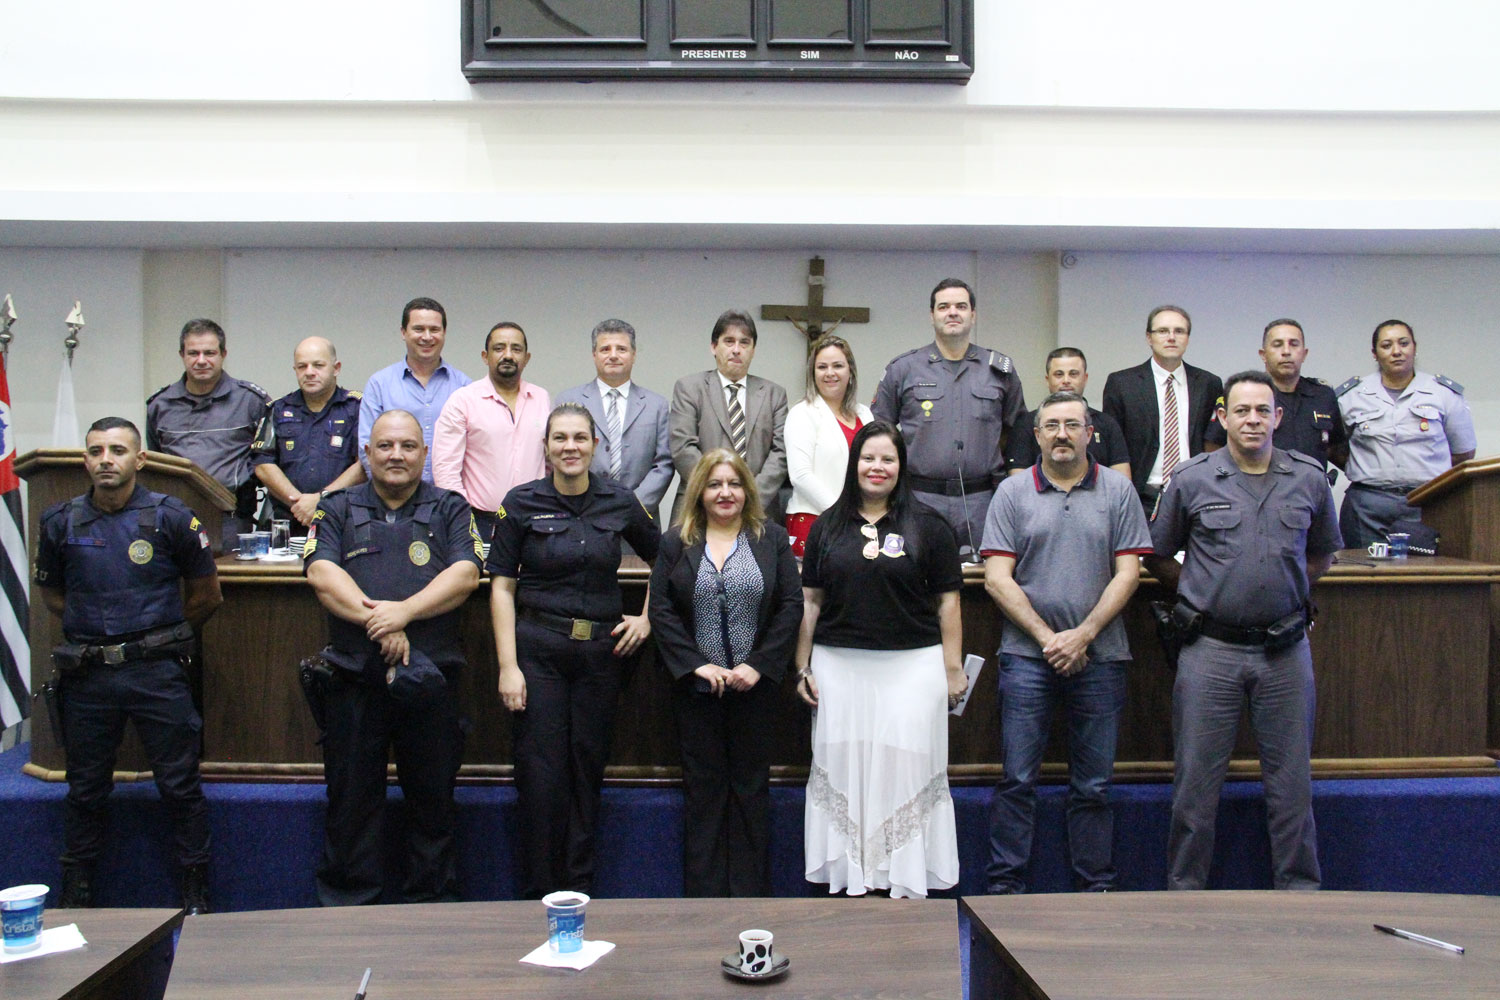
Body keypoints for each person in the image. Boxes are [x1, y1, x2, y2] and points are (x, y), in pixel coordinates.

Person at [1144, 371, 1343, 891]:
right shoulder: (1192, 478)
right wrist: (1207, 591)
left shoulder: (1308, 477)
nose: (1252, 420)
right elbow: (1159, 556)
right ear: (1223, 417)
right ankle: (1185, 897)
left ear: (1277, 417)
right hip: (1211, 651)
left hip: (1285, 651)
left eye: (1262, 411)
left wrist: (1284, 587)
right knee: (1194, 790)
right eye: (1242, 411)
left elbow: (1322, 553)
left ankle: (1299, 897)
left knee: (1292, 789)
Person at [36, 417, 222, 913]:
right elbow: (54, 594)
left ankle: (196, 891)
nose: (105, 460)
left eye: (117, 450)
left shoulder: (172, 517)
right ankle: (76, 893)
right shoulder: (60, 521)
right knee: (85, 789)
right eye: (96, 451)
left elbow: (206, 594)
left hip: (156, 672)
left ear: (139, 460)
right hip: (89, 674)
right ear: (85, 460)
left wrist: (156, 637)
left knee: (180, 787)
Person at [303, 410, 483, 906]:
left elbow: (466, 574)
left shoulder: (451, 506)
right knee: (351, 805)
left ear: (424, 455)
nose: (396, 455)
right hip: (354, 681)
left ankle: (430, 912)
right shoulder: (336, 506)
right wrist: (380, 626)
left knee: (433, 804)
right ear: (367, 453)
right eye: (385, 446)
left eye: (407, 446)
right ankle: (348, 914)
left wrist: (402, 613)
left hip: (432, 682)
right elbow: (321, 573)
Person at [981, 392, 1152, 893]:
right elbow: (996, 579)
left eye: (1072, 425)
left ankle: (1095, 887)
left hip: (1101, 656)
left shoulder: (1119, 491)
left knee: (1094, 786)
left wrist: (1084, 635)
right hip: (1025, 659)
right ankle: (1005, 889)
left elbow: (1129, 574)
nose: (1062, 434)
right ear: (1035, 435)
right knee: (1016, 781)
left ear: (1089, 432)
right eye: (1051, 425)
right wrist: (1048, 638)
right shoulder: (1012, 494)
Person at [489, 402, 661, 898]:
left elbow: (666, 558)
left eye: (580, 438)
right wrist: (508, 667)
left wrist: (646, 619)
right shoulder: (520, 503)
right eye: (560, 438)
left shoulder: (619, 500)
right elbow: (501, 587)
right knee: (542, 776)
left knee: (587, 769)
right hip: (538, 651)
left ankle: (578, 890)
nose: (570, 447)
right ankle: (537, 892)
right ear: (545, 447)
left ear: (595, 445)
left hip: (599, 657)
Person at [796, 420, 968, 898]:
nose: (877, 467)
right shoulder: (827, 526)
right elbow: (810, 602)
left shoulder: (930, 527)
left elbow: (949, 604)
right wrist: (802, 667)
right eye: (868, 458)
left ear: (901, 466)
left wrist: (952, 670)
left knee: (908, 769)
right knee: (844, 769)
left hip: (913, 669)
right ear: (855, 464)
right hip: (839, 667)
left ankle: (903, 874)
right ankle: (853, 874)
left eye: (887, 459)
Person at [648, 449, 803, 896]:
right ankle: (705, 898)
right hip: (698, 692)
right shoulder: (677, 541)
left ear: (747, 491)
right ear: (700, 491)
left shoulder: (770, 538)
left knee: (751, 793)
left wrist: (759, 665)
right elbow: (661, 609)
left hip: (754, 691)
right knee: (703, 795)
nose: (725, 493)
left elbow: (791, 606)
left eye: (734, 484)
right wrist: (697, 665)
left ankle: (751, 896)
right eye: (715, 484)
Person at [872, 278, 1025, 559]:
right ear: (932, 315)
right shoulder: (903, 369)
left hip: (984, 501)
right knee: (915, 578)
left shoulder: (1000, 370)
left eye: (960, 306)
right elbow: (879, 436)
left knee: (984, 583)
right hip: (919, 498)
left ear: (973, 315)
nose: (952, 312)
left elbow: (1019, 434)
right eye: (944, 306)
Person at [1334, 319, 1476, 549]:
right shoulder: (1352, 396)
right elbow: (1334, 448)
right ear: (1374, 353)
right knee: (1363, 578)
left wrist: (1425, 471)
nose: (1396, 351)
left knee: (1428, 579)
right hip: (1368, 506)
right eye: (1387, 345)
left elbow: (1463, 453)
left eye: (1403, 343)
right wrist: (1370, 468)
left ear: (1414, 347)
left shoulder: (1443, 394)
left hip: (1427, 501)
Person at [146, 318, 271, 539]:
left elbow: (268, 458)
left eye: (210, 353)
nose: (201, 361)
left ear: (223, 354)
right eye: (193, 353)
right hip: (174, 518)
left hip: (231, 518)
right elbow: (157, 464)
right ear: (182, 355)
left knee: (229, 574)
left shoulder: (251, 401)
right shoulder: (160, 405)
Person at [669, 309, 789, 522]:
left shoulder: (774, 394)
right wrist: (716, 492)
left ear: (753, 350)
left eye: (744, 343)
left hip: (758, 511)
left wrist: (749, 498)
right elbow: (683, 448)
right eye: (729, 341)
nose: (736, 350)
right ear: (714, 347)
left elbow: (780, 454)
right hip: (699, 508)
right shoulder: (689, 388)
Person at [432, 321, 549, 540]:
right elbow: (445, 469)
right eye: (499, 348)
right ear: (485, 356)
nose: (508, 355)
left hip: (536, 519)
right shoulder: (463, 400)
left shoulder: (541, 398)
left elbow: (550, 461)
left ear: (527, 357)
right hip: (481, 520)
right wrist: (462, 518)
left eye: (516, 349)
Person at [1102, 305, 1224, 513]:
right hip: (1142, 498)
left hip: (1197, 495)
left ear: (1187, 338)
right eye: (1163, 331)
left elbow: (1214, 441)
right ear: (1149, 338)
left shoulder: (1208, 383)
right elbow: (1111, 445)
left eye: (1179, 331)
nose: (1171, 337)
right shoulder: (1122, 383)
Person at [554, 318, 675, 524]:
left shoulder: (657, 405)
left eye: (621, 349)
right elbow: (558, 457)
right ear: (594, 355)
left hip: (639, 520)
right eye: (605, 349)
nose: (613, 355)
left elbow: (664, 463)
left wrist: (632, 506)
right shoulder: (568, 401)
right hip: (582, 515)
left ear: (634, 355)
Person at [1204, 319, 1348, 475]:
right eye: (1278, 344)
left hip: (1310, 493)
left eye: (1294, 344)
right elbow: (1213, 446)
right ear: (1263, 354)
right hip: (1257, 492)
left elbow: (1335, 448)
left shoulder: (1323, 395)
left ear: (1304, 354)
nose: (1286, 351)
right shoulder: (1242, 394)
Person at [252, 336, 367, 527]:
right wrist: (300, 504)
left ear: (336, 368)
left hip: (343, 519)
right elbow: (263, 464)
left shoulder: (357, 408)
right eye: (302, 366)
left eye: (318, 365)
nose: (309, 372)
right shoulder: (278, 409)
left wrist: (321, 501)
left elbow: (365, 463)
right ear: (295, 370)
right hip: (288, 520)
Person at [359, 297, 472, 483]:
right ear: (403, 332)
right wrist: (392, 491)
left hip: (448, 502)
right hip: (392, 498)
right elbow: (367, 449)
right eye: (418, 329)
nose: (427, 337)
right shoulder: (379, 385)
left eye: (434, 329)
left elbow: (474, 452)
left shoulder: (465, 387)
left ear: (444, 333)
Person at [784, 334, 874, 557]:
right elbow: (800, 475)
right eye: (822, 367)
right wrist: (843, 514)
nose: (830, 373)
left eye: (838, 366)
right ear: (813, 374)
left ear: (850, 372)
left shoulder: (864, 414)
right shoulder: (802, 413)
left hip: (862, 523)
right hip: (815, 520)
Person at [1005, 348, 1130, 480]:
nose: (1066, 380)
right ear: (1047, 380)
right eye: (1059, 374)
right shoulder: (1026, 424)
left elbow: (1122, 482)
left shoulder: (1107, 424)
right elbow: (1018, 484)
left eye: (1073, 374)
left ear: (1085, 378)